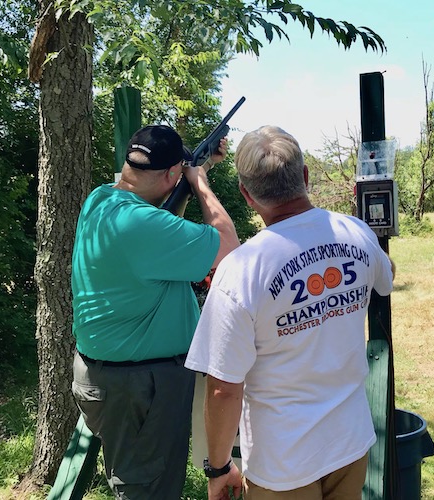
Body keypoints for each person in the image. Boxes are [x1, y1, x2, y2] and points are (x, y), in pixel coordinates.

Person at [185, 125, 395, 500]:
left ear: (247, 195)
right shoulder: (356, 232)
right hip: (350, 443)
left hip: (284, 463)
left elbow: (222, 388)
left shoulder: (242, 271)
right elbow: (386, 278)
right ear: (305, 177)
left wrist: (217, 467)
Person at [70, 124, 240, 500]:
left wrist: (196, 168)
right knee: (148, 490)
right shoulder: (143, 224)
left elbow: (160, 221)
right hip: (140, 388)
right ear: (170, 175)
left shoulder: (100, 200)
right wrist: (199, 184)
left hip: (108, 379)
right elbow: (228, 245)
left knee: (137, 482)